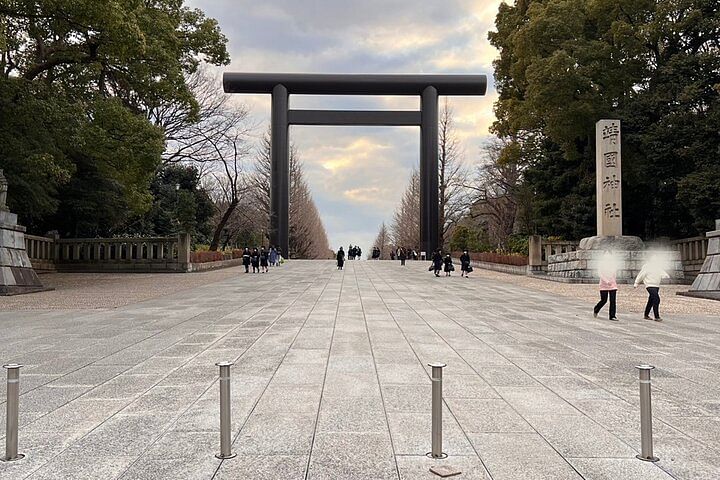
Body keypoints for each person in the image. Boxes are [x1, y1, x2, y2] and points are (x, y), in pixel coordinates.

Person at [634, 255, 670, 321]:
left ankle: (646, 314)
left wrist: (666, 276)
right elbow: (641, 275)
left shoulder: (658, 267)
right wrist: (636, 283)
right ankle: (656, 316)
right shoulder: (646, 267)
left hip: (656, 285)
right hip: (649, 285)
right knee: (657, 299)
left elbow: (662, 273)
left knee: (651, 300)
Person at [593, 250, 618, 321]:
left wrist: (613, 281)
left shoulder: (613, 263)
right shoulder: (601, 263)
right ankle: (596, 309)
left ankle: (612, 316)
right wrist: (607, 281)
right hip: (603, 284)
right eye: (606, 254)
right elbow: (600, 274)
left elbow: (614, 273)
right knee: (604, 300)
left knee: (613, 301)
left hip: (612, 284)